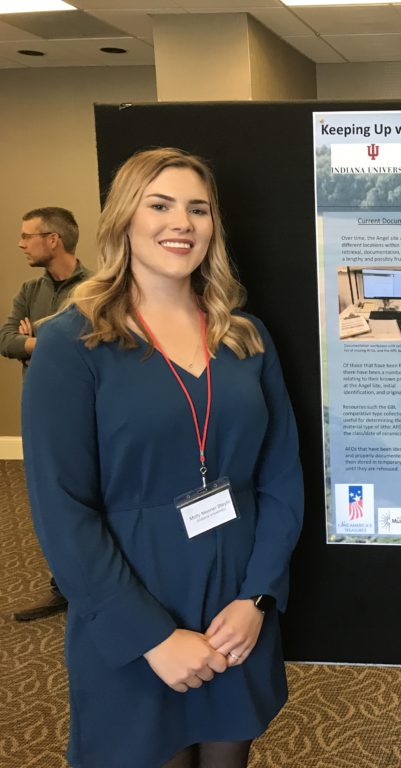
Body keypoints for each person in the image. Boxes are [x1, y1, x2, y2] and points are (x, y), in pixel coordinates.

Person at [21, 148, 303, 768]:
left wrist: (258, 597)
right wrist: (151, 637)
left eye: (197, 209)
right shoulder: (73, 344)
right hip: (132, 603)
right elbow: (62, 510)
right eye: (161, 204)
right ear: (124, 217)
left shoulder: (244, 336)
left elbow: (281, 476)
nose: (182, 222)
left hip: (235, 602)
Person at [3, 206, 91, 621]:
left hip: (86, 411)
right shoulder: (27, 289)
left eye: (27, 236)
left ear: (52, 239)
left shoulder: (95, 289)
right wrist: (48, 340)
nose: (21, 244)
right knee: (50, 500)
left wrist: (38, 336)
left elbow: (99, 344)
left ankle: (92, 583)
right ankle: (62, 586)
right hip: (39, 412)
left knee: (89, 497)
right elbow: (5, 340)